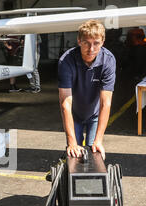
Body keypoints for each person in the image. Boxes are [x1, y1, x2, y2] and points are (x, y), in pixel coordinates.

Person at [58, 19, 116, 160]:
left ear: (102, 42)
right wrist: (71, 142)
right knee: (73, 154)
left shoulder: (108, 61)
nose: (91, 49)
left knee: (94, 153)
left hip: (94, 114)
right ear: (79, 41)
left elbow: (105, 103)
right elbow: (65, 103)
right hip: (74, 114)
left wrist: (98, 140)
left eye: (96, 43)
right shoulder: (66, 61)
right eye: (86, 43)